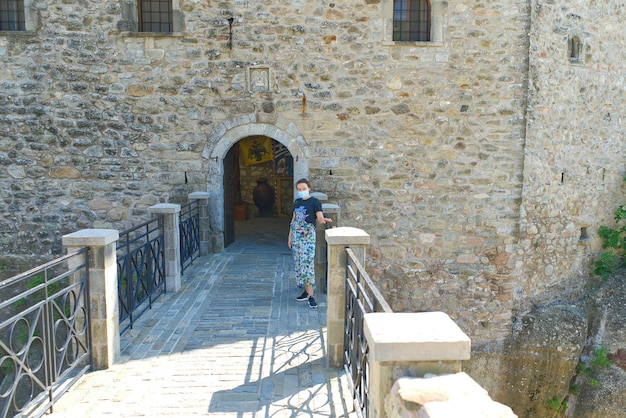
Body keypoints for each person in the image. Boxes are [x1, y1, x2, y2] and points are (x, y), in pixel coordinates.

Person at [287, 178, 332, 308]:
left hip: (307, 237)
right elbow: (293, 220)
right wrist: (289, 237)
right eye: (299, 189)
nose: (301, 191)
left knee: (307, 264)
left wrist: (325, 220)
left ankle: (311, 296)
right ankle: (306, 292)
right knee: (299, 264)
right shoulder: (297, 202)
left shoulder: (315, 202)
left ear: (309, 188)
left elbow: (319, 218)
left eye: (303, 189)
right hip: (296, 236)